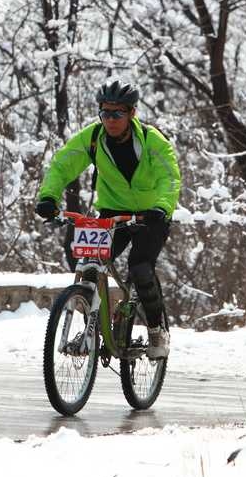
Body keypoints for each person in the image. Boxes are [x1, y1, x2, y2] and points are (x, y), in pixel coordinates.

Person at [35, 80, 181, 358]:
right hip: (113, 213)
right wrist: (49, 197)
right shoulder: (92, 139)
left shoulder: (152, 140)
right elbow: (63, 164)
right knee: (91, 263)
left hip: (151, 214)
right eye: (105, 113)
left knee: (140, 267)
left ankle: (155, 331)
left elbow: (170, 177)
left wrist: (162, 207)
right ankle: (91, 326)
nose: (110, 120)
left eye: (117, 114)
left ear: (132, 114)